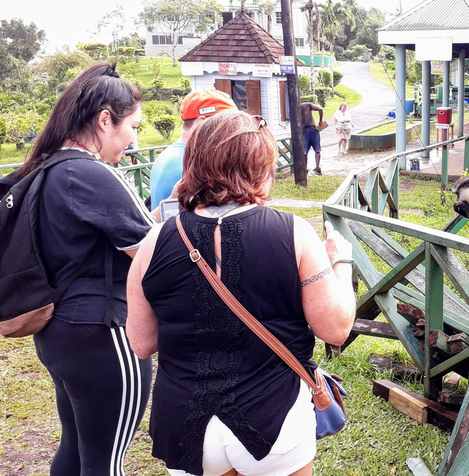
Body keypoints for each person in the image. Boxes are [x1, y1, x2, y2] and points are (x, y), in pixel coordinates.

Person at [127, 110, 356, 476]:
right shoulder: (293, 233)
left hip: (185, 421)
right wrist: (340, 263)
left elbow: (141, 343)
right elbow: (336, 329)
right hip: (274, 413)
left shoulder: (154, 242)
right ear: (261, 168)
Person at [13, 62, 156, 475]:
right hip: (103, 337)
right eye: (134, 125)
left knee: (76, 451)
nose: (135, 138)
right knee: (105, 464)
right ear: (105, 119)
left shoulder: (48, 167)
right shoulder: (91, 174)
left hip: (60, 334)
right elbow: (154, 255)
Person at [149, 89, 237, 210]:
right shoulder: (189, 162)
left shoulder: (171, 154)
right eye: (226, 125)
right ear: (203, 123)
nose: (232, 132)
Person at [300, 101, 324, 175]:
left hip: (304, 130)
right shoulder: (308, 105)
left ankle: (304, 169)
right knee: (317, 150)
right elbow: (320, 109)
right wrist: (320, 121)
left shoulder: (297, 108)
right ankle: (317, 168)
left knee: (304, 151)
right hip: (314, 130)